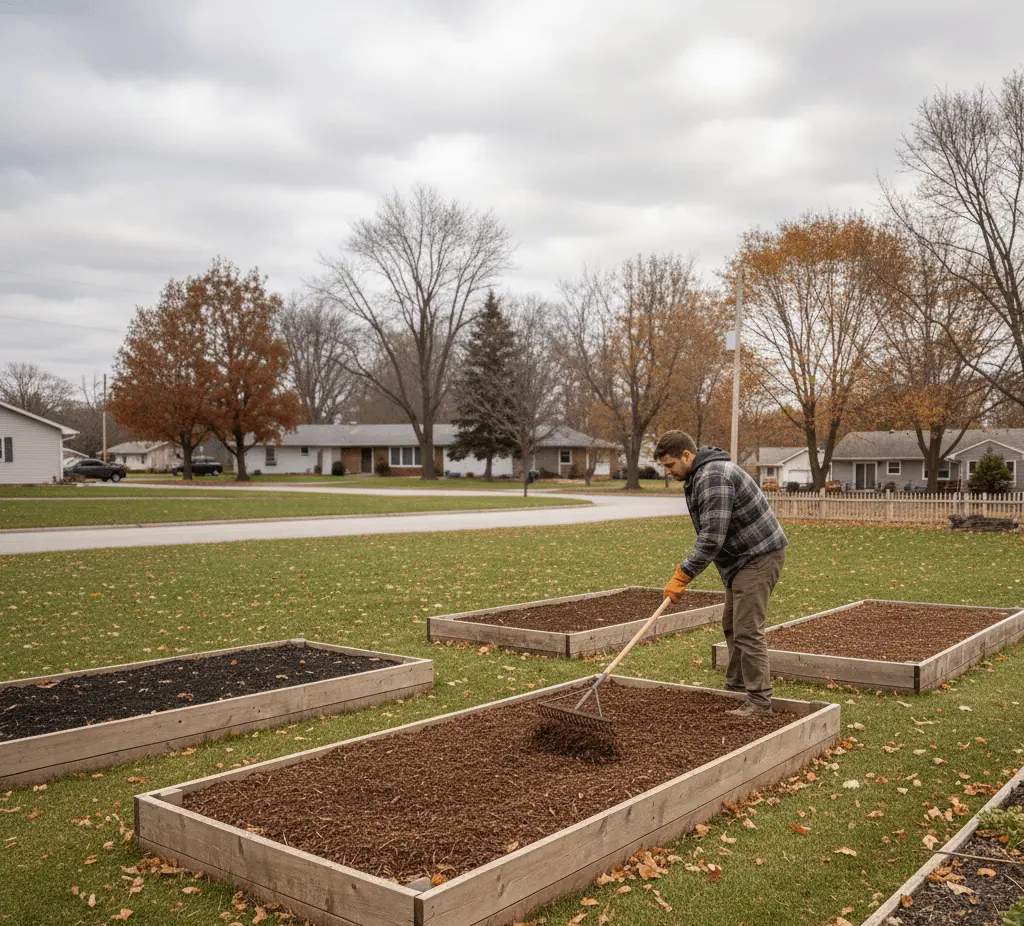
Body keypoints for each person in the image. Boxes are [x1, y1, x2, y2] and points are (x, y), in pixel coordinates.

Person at [654, 430, 788, 716]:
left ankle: (760, 701)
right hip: (740, 560)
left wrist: (683, 575)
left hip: (759, 556)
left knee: (748, 629)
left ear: (687, 456)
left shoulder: (713, 476)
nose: (668, 472)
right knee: (731, 623)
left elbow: (712, 536)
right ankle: (737, 685)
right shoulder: (700, 475)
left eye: (670, 465)